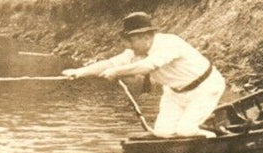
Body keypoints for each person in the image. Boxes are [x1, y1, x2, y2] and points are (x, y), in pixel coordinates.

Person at [60, 11, 225, 137]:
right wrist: (79, 72)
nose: (129, 46)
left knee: (185, 130)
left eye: (131, 41)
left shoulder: (169, 43)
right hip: (175, 94)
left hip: (205, 88)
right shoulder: (137, 51)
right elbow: (111, 63)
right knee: (161, 134)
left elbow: (147, 66)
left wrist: (117, 72)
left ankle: (214, 141)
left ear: (146, 37)